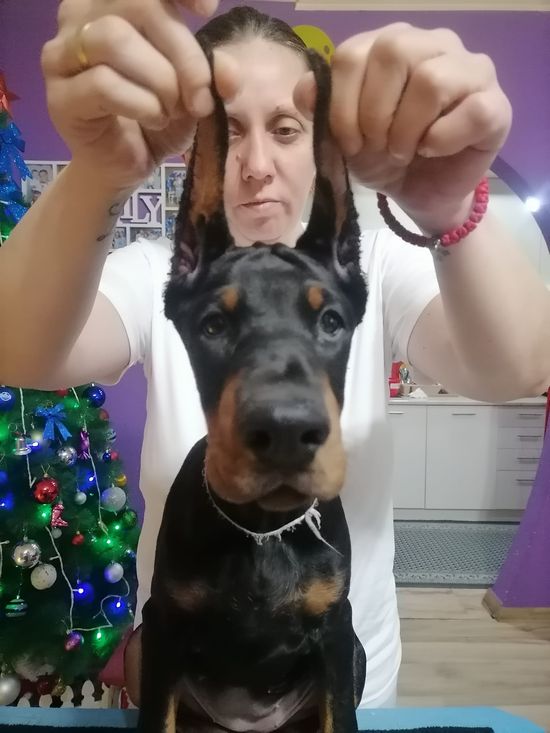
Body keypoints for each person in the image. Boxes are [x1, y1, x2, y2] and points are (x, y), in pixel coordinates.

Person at [1, 0, 549, 713]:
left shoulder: (375, 262)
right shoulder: (161, 274)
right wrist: (98, 171)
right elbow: (15, 349)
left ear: (319, 147)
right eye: (228, 132)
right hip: (182, 689)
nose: (257, 165)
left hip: (338, 694)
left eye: (286, 129)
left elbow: (519, 367)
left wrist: (448, 207)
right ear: (194, 151)